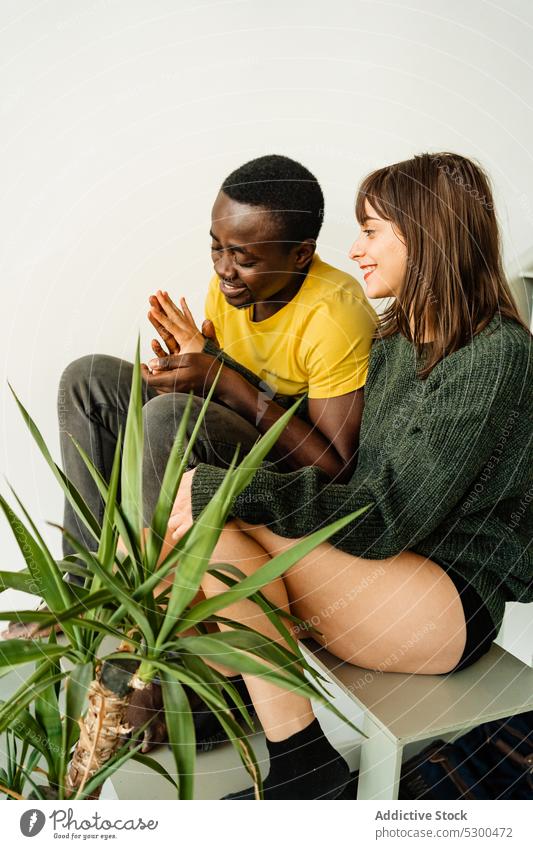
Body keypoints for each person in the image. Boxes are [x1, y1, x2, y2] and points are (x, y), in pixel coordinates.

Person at [161, 152, 533, 799]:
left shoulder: (497, 354)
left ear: (424, 235)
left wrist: (230, 488)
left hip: (445, 603)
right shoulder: (394, 342)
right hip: (384, 574)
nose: (355, 249)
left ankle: (272, 749)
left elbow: (389, 514)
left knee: (209, 511)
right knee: (210, 532)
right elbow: (360, 487)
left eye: (370, 229)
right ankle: (301, 760)